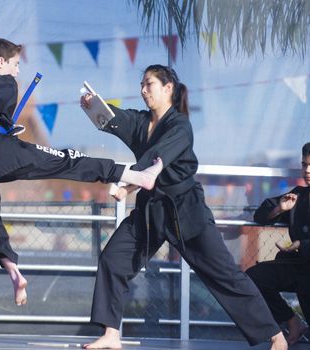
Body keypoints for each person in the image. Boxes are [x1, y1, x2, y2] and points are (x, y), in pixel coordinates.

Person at [0, 38, 163, 306]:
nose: (16, 71)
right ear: (0, 62)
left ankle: (11, 268)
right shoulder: (2, 82)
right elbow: (3, 93)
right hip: (3, 153)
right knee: (67, 160)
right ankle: (135, 176)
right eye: (14, 64)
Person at [79, 64, 288, 350]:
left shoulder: (180, 125)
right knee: (114, 259)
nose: (143, 90)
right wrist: (95, 109)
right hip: (151, 212)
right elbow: (117, 119)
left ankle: (276, 335)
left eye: (149, 84)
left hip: (186, 210)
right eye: (141, 84)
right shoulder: (141, 122)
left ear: (168, 88)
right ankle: (111, 334)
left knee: (224, 274)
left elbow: (159, 155)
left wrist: (132, 180)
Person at [246, 140, 310, 347]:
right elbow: (261, 213)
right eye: (304, 165)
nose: (307, 170)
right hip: (297, 266)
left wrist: (302, 244)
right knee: (254, 277)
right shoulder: (297, 195)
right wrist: (280, 209)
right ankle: (292, 322)